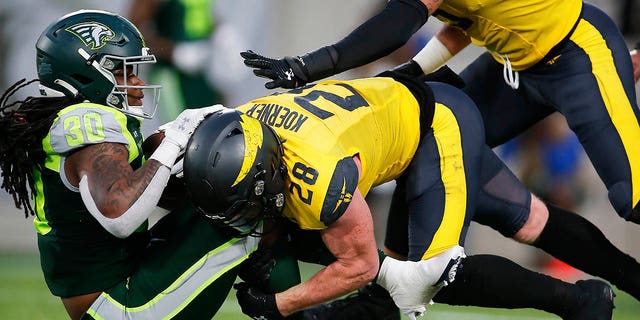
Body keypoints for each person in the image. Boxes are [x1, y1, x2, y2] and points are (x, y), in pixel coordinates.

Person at [240, 0, 640, 301]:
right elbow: (463, 21)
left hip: (577, 52)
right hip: (514, 65)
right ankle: (612, 288)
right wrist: (412, 72)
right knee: (428, 136)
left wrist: (308, 66)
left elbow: (401, 18)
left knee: (632, 198)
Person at [183, 71, 614, 319]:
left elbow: (362, 263)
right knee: (387, 283)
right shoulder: (243, 133)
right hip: (392, 126)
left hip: (436, 123)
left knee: (430, 274)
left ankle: (579, 301)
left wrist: (281, 304)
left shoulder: (315, 177)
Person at [0, 10, 306, 320]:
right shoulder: (88, 124)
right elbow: (119, 215)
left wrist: (178, 161)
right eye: (124, 72)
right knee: (248, 214)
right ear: (86, 74)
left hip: (121, 284)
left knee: (224, 202)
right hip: (116, 307)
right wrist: (174, 141)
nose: (136, 83)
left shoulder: (75, 117)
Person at [127, 0, 225, 124]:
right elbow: (133, 30)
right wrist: (173, 52)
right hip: (171, 77)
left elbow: (198, 12)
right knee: (182, 131)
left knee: (214, 124)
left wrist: (222, 31)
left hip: (202, 74)